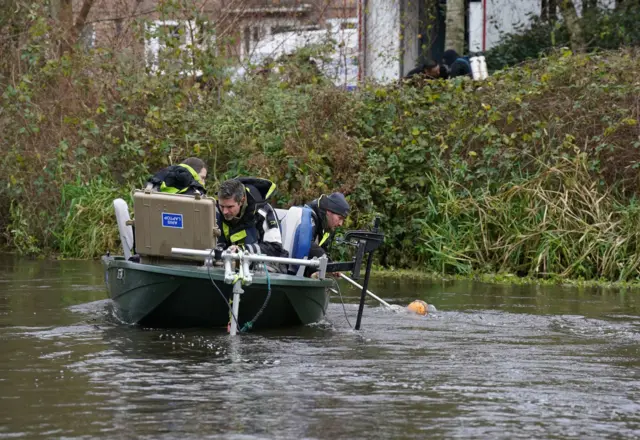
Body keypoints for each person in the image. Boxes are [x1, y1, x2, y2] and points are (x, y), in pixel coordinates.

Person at [215, 177, 287, 259]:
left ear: (242, 201)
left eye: (230, 207)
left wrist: (243, 250)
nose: (224, 211)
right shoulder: (214, 210)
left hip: (259, 265)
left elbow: (275, 248)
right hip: (223, 262)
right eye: (222, 206)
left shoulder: (263, 211)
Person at [304, 193, 350, 275]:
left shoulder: (326, 226)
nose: (340, 223)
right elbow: (306, 244)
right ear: (329, 211)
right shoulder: (308, 216)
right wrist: (329, 264)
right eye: (340, 218)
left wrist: (330, 267)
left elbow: (322, 249)